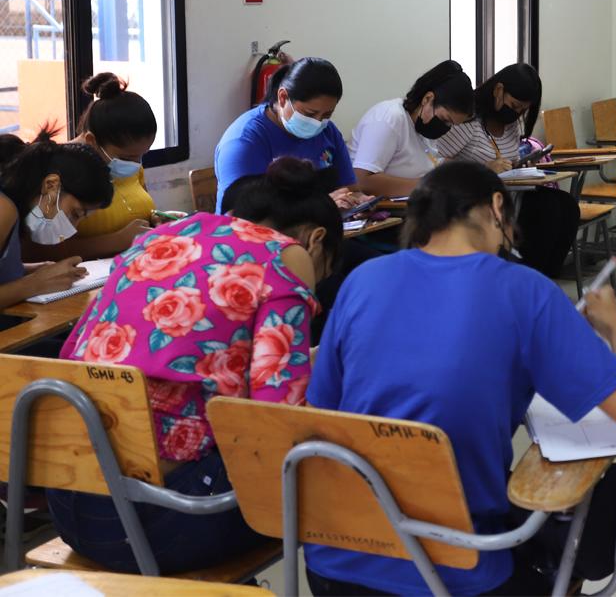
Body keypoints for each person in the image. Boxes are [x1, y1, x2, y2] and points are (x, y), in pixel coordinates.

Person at [305, 161, 616, 596]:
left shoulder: (363, 280)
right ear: (496, 207)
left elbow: (322, 409)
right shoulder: (526, 290)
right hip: (457, 567)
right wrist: (613, 324)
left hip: (335, 563)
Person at [48, 157, 342, 574]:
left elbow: (70, 358)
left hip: (70, 503)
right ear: (315, 241)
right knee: (323, 475)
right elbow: (277, 420)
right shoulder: (286, 259)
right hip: (165, 523)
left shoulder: (162, 235)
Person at [436, 63, 580, 277]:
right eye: (514, 106)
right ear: (498, 90)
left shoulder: (512, 125)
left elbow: (509, 162)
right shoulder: (468, 120)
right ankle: (523, 282)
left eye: (523, 110)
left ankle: (543, 281)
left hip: (509, 197)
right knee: (547, 211)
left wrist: (522, 166)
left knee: (566, 206)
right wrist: (483, 169)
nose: (516, 114)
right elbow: (436, 168)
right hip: (473, 203)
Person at [25, 73, 159, 263]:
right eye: (127, 157)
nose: (136, 164)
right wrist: (115, 241)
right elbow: (33, 251)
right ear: (92, 141)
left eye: (143, 154)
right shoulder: (57, 171)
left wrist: (156, 221)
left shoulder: (129, 164)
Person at [214, 58, 359, 212]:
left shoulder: (327, 131)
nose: (318, 123)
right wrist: (322, 206)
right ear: (283, 98)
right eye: (309, 113)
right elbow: (243, 214)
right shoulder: (244, 141)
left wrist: (355, 200)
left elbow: (349, 187)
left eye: (327, 115)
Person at [0, 134, 113, 308]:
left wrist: (28, 270)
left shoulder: (13, 206)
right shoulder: (4, 209)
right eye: (75, 213)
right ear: (51, 185)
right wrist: (33, 284)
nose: (73, 228)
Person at [348, 60, 475, 198]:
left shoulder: (423, 128)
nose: (446, 128)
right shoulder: (390, 118)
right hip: (381, 213)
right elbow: (362, 181)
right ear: (428, 99)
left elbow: (427, 162)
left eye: (451, 125)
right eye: (445, 120)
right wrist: (428, 185)